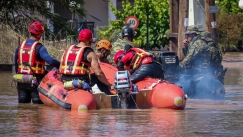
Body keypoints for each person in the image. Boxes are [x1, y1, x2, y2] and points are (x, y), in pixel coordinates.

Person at [14, 21, 60, 104]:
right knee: (37, 105)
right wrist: (60, 65)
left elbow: (15, 63)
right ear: (39, 34)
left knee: (23, 105)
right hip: (35, 80)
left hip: (21, 80)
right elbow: (50, 61)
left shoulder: (20, 46)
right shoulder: (39, 47)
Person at [59, 29, 112, 95]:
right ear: (90, 40)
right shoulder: (90, 53)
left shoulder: (67, 50)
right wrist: (108, 84)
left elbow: (61, 66)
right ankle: (109, 96)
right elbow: (99, 73)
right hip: (82, 80)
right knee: (97, 77)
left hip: (65, 80)